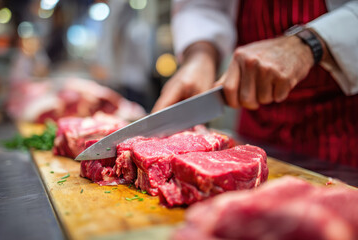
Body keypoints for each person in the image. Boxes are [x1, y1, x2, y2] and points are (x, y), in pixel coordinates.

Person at [152, 0, 358, 167]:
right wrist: (200, 57)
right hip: (256, 125)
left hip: (345, 129)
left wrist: (309, 43)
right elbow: (203, 5)